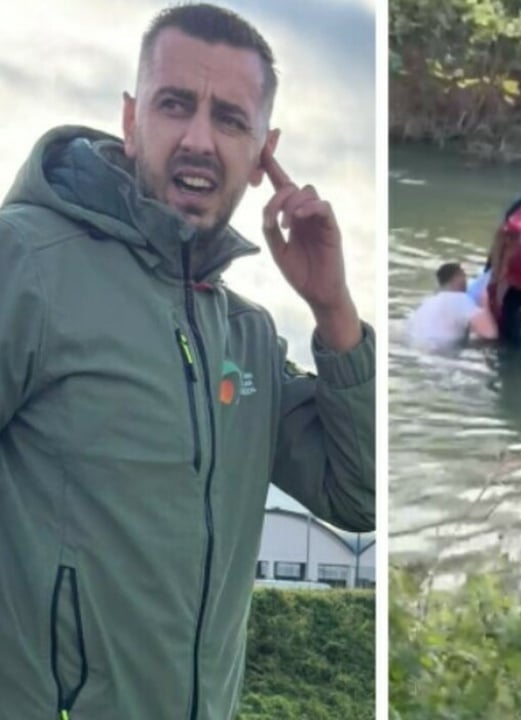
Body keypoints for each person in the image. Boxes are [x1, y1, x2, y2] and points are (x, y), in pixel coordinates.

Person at [0, 5, 374, 719]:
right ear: (131, 119)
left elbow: (359, 497)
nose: (199, 140)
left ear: (263, 153)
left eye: (230, 119)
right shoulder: (26, 263)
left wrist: (334, 310)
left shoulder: (248, 336)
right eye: (175, 105)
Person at [408, 261, 499, 351]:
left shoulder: (427, 302)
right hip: (443, 351)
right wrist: (485, 303)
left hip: (417, 348)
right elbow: (490, 334)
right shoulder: (462, 299)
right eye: (464, 276)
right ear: (458, 277)